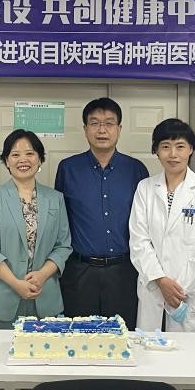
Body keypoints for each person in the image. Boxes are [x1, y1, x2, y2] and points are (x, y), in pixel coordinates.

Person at [54, 97, 149, 328]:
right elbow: (59, 221)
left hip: (124, 273)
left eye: (109, 123)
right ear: (85, 129)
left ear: (119, 128)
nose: (102, 130)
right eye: (95, 123)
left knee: (123, 338)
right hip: (79, 272)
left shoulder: (136, 170)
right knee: (78, 339)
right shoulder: (68, 168)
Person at [130, 118, 195, 333]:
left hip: (193, 292)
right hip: (154, 287)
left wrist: (177, 288)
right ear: (156, 151)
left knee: (193, 352)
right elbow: (138, 241)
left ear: (191, 149)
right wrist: (161, 280)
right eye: (165, 146)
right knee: (152, 350)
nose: (173, 154)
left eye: (180, 146)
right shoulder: (145, 188)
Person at [0, 129, 72, 328]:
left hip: (44, 297)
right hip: (1, 298)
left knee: (46, 349)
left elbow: (63, 246)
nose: (23, 160)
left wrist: (42, 275)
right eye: (15, 154)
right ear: (6, 161)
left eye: (30, 153)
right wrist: (15, 283)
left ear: (40, 159)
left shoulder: (55, 198)